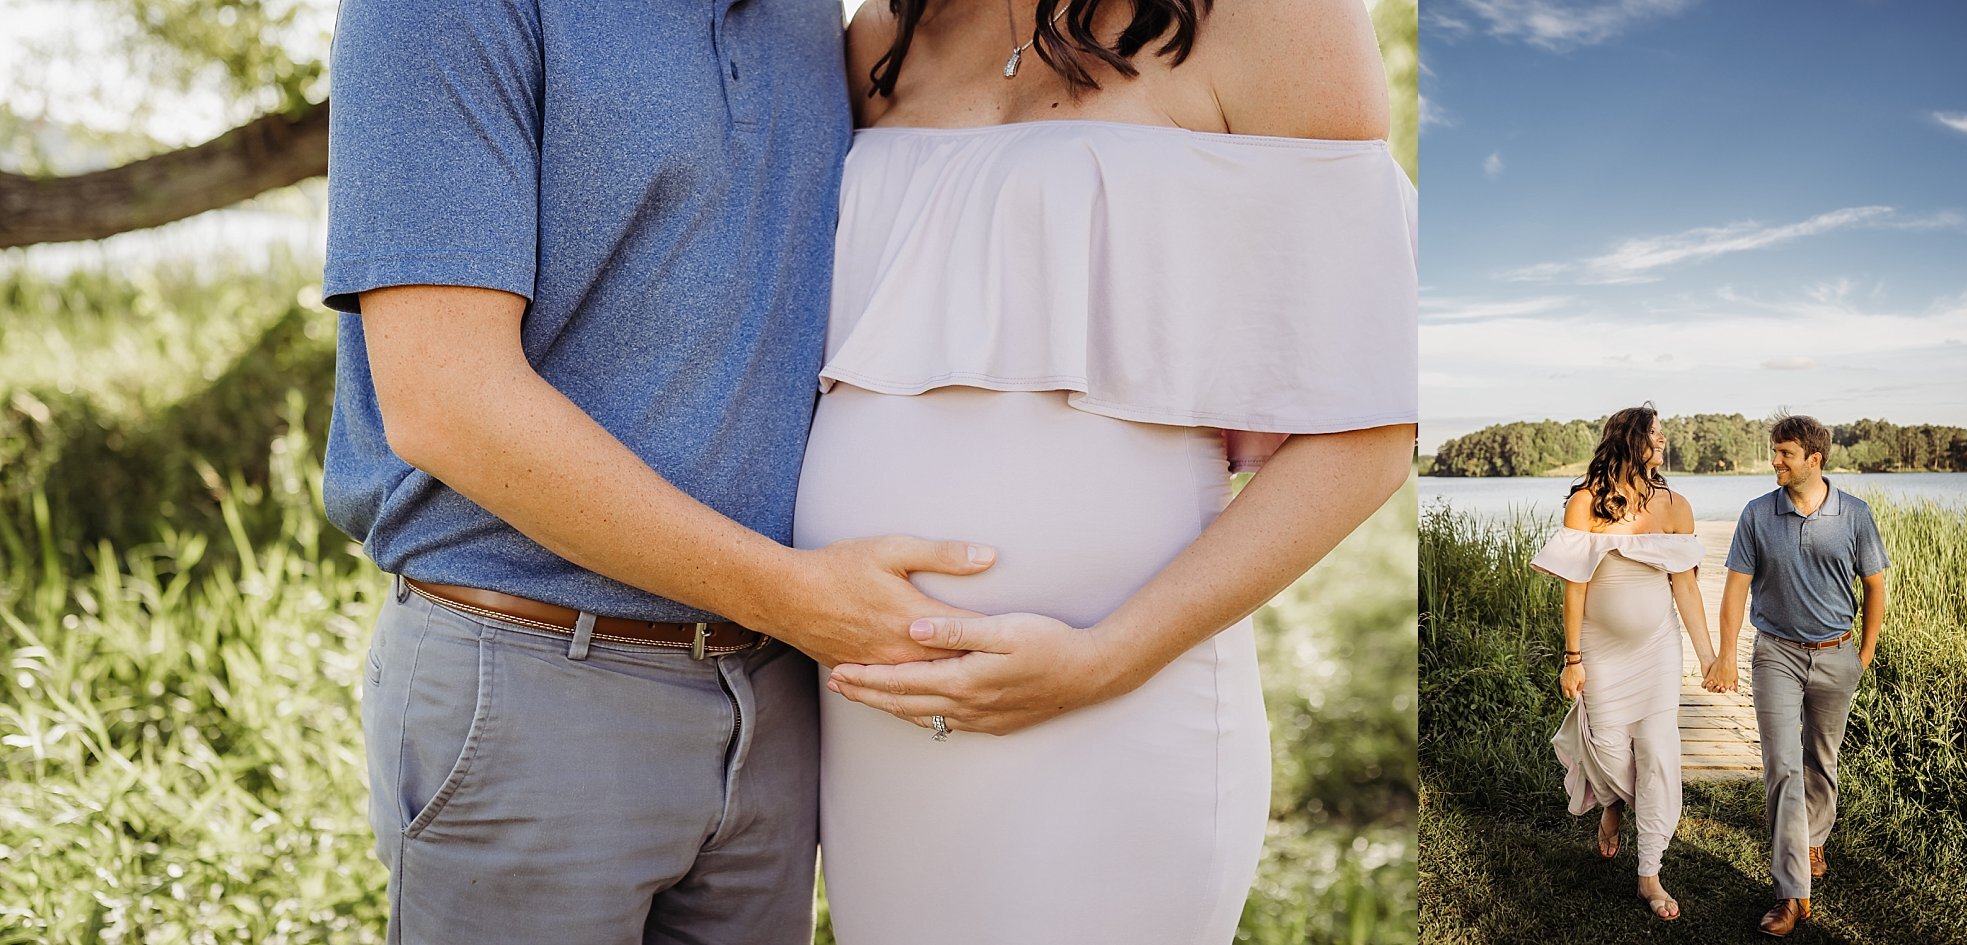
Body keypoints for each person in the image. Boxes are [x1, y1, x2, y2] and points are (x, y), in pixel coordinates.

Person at [320, 1, 1000, 941]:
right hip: (535, 688)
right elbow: (447, 400)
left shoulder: (812, 19)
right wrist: (795, 596)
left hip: (779, 700)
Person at [795, 1, 1416, 942]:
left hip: (1122, 698)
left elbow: (1374, 424)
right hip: (874, 716)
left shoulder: (1277, 17)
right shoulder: (885, 33)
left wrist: (1105, 660)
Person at [1530, 405, 1715, 921]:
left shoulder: (1676, 506)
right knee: (1608, 746)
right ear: (1631, 440)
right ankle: (1611, 802)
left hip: (1658, 650)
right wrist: (1573, 659)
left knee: (1657, 753)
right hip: (1601, 652)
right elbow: (1576, 589)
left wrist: (1709, 657)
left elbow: (1686, 587)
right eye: (1654, 434)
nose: (1662, 441)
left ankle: (1649, 873)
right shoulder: (1585, 503)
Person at [1705, 415, 1888, 938]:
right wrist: (1724, 655)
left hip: (1837, 654)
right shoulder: (1758, 514)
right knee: (1782, 768)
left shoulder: (1853, 514)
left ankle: (1813, 837)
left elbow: (1874, 585)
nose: (1775, 462)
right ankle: (1792, 891)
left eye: (1785, 453)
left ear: (1815, 458)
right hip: (1776, 656)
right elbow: (1736, 588)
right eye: (1774, 452)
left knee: (1821, 759)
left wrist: (1864, 654)